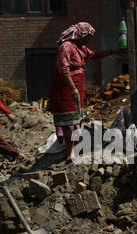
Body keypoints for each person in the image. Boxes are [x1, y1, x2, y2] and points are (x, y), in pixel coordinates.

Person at [49, 22, 123, 161]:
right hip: (65, 89)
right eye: (87, 37)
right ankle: (69, 153)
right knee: (68, 121)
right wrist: (72, 88)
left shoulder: (80, 47)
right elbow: (63, 69)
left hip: (77, 87)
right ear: (79, 35)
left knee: (76, 119)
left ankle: (74, 149)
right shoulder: (66, 47)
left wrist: (113, 52)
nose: (89, 40)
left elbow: (94, 54)